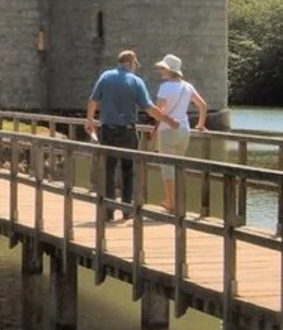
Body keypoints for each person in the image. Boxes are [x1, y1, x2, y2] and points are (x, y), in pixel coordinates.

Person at [84, 49, 175, 219]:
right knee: (128, 170)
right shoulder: (135, 81)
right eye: (135, 64)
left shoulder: (105, 77)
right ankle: (127, 210)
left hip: (107, 129)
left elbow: (93, 100)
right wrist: (168, 120)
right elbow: (148, 108)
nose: (136, 67)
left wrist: (90, 120)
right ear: (130, 62)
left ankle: (108, 211)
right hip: (127, 130)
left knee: (109, 170)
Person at [152, 54, 208, 215]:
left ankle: (171, 202)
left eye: (162, 68)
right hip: (185, 129)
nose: (160, 71)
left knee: (167, 168)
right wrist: (201, 124)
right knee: (178, 166)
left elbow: (159, 111)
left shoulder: (165, 87)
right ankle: (178, 200)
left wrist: (155, 127)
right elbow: (202, 106)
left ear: (170, 70)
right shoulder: (187, 86)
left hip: (167, 130)